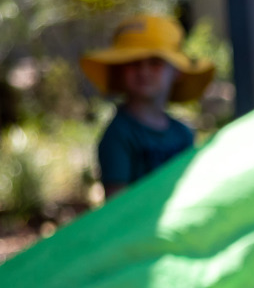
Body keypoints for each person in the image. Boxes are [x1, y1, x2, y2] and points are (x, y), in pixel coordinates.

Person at [79, 14, 214, 196]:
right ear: (120, 69)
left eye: (155, 63)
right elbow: (117, 206)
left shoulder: (183, 133)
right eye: (134, 63)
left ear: (177, 71)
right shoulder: (119, 135)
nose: (144, 71)